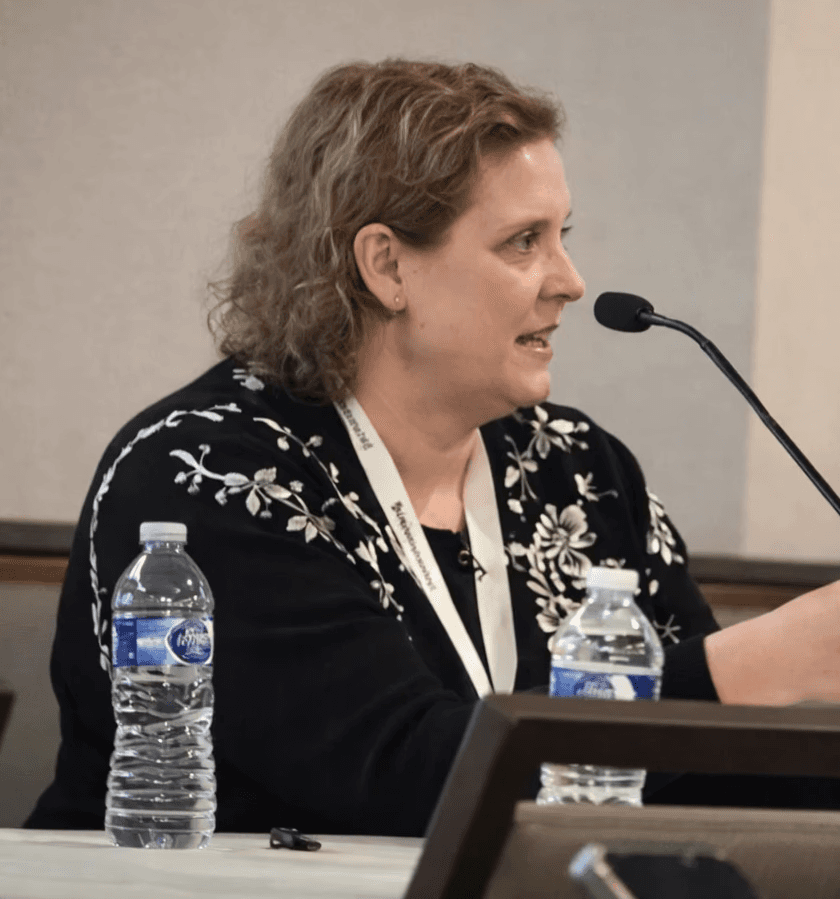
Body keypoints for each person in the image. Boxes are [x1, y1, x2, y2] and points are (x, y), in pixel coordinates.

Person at [25, 58, 840, 836]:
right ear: (388, 267)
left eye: (562, 234)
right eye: (523, 241)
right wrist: (769, 659)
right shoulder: (208, 476)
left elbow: (703, 772)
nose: (571, 280)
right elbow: (403, 774)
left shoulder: (580, 472)